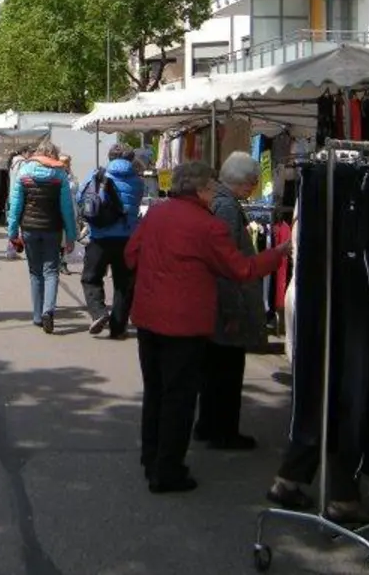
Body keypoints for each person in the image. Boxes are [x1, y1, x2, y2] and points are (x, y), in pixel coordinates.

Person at [125, 161, 288, 495]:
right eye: (211, 187)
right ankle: (168, 470)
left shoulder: (156, 214)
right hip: (184, 323)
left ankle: (152, 458)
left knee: (156, 392)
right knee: (179, 397)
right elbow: (241, 269)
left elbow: (131, 255)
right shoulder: (207, 225)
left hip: (149, 317)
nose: (214, 192)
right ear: (200, 190)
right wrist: (278, 254)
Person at [194, 151, 268, 450]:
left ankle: (208, 425)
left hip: (217, 301)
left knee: (215, 368)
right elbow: (225, 263)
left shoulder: (219, 202)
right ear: (243, 181)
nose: (253, 188)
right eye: (253, 182)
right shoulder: (226, 206)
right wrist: (233, 310)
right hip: (226, 303)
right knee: (226, 370)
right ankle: (222, 431)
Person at [8, 141, 77, 334]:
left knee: (35, 272)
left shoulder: (24, 172)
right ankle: (49, 311)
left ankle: (38, 316)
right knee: (51, 271)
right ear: (53, 154)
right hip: (53, 228)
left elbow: (15, 205)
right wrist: (71, 236)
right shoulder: (60, 175)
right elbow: (67, 209)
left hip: (29, 228)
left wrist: (12, 232)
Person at [78, 144, 145, 339]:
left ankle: (99, 312)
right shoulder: (138, 182)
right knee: (124, 284)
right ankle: (118, 327)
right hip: (127, 237)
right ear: (131, 159)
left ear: (110, 157)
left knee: (91, 277)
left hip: (99, 236)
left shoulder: (97, 175)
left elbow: (81, 197)